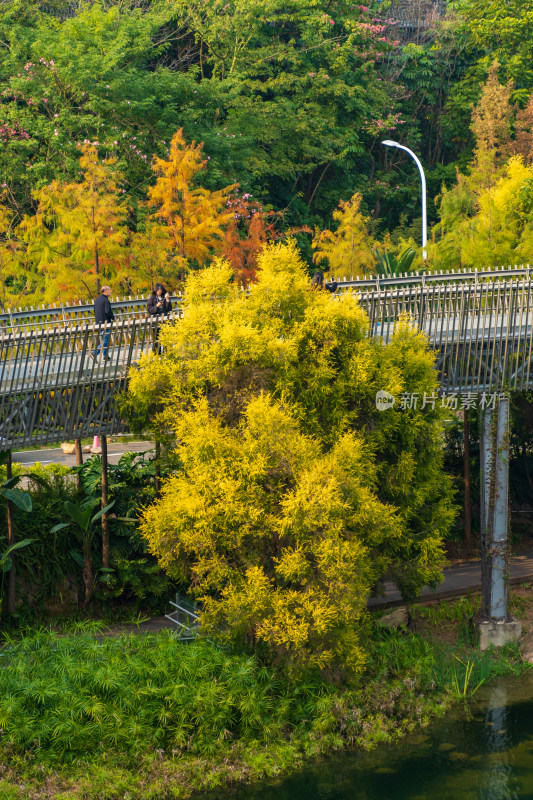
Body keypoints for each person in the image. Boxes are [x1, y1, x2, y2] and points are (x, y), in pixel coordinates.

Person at [92, 285, 114, 361]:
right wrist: (113, 318)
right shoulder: (106, 300)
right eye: (109, 290)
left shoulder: (97, 300)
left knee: (105, 339)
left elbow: (94, 311)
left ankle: (105, 355)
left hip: (98, 322)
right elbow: (107, 311)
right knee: (105, 340)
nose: (110, 292)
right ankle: (95, 353)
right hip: (105, 322)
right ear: (106, 291)